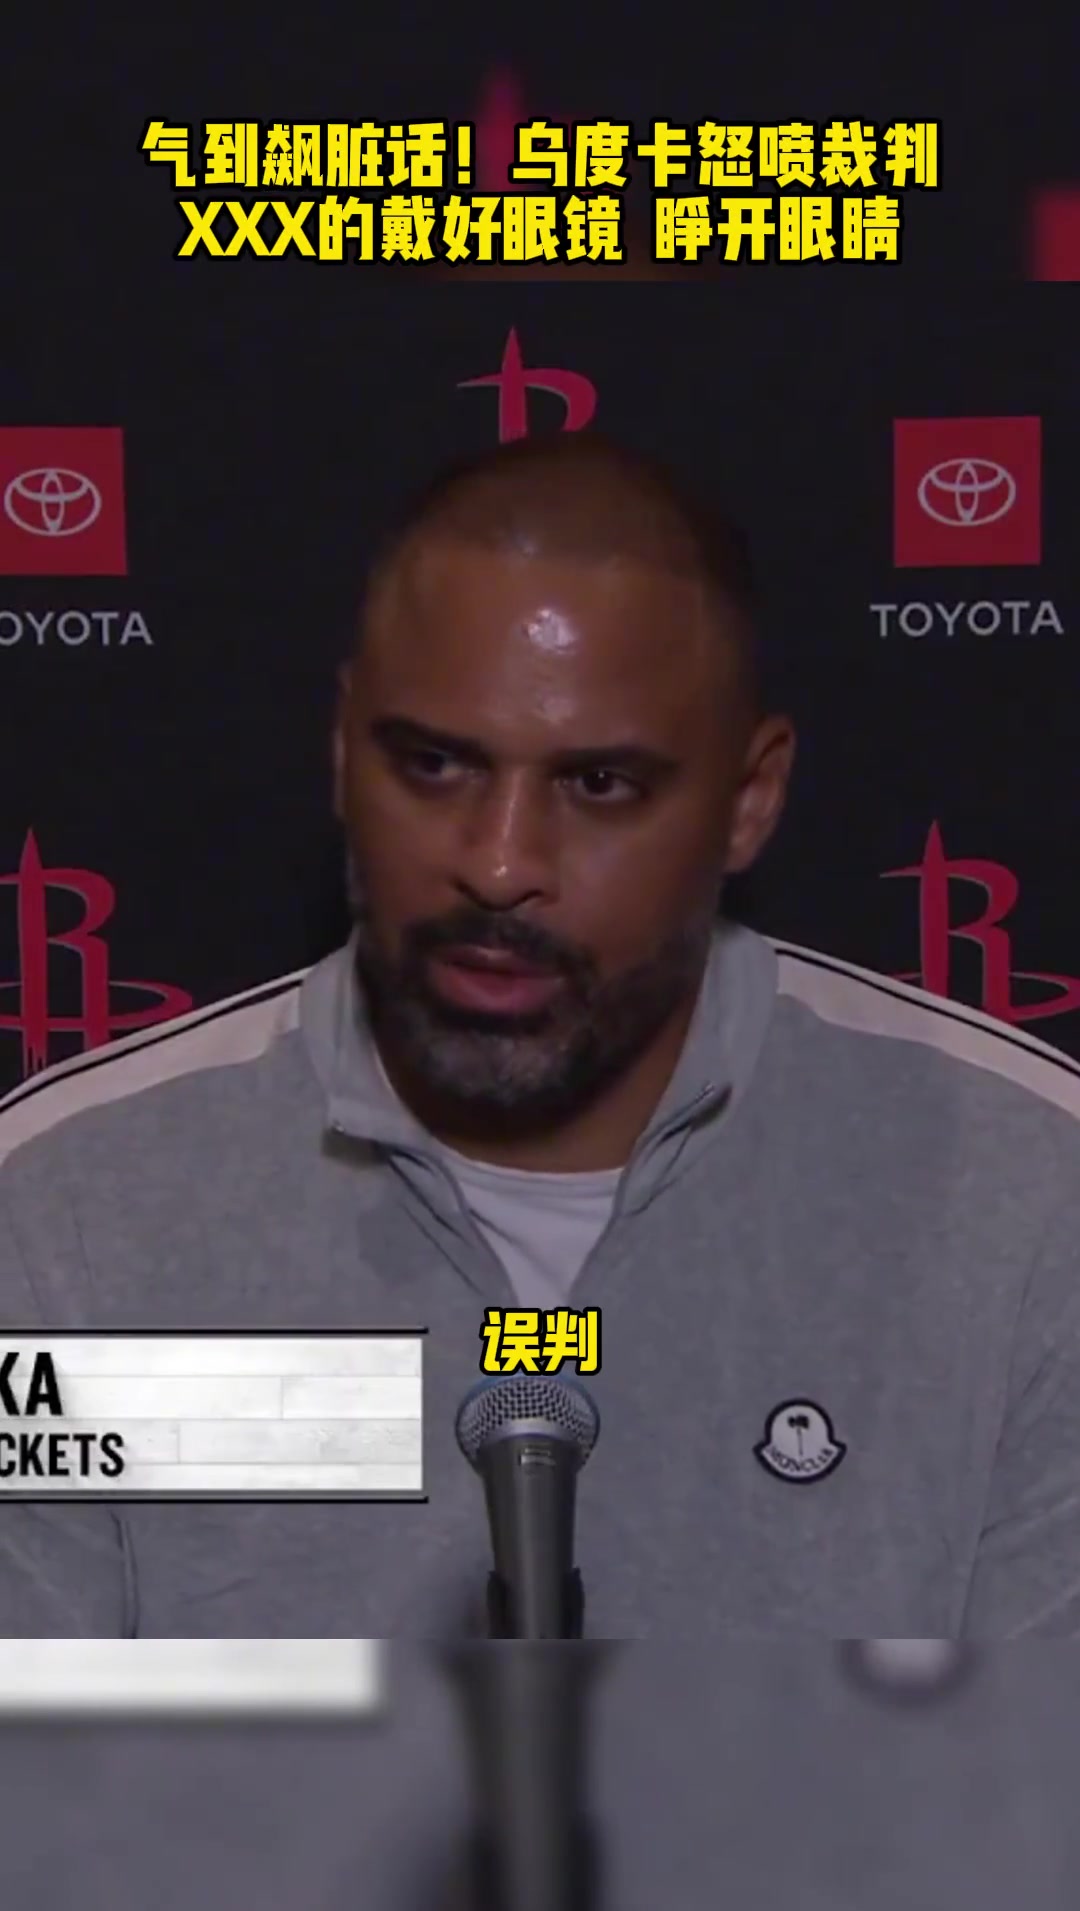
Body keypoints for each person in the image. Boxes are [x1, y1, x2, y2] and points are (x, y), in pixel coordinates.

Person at [2, 430, 1080, 1636]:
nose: (501, 862)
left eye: (599, 785)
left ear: (748, 800)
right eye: (434, 765)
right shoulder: (65, 1220)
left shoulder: (1031, 1204)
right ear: (344, 751)